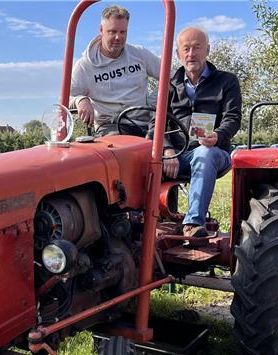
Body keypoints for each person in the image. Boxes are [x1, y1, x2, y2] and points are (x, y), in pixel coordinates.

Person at [151, 27, 241, 237]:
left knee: (204, 153)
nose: (191, 54)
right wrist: (167, 150)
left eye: (197, 48)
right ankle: (145, 223)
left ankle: (192, 224)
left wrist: (218, 135)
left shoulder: (226, 81)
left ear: (207, 50)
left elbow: (233, 118)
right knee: (139, 158)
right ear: (178, 54)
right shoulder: (169, 86)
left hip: (214, 152)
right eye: (186, 49)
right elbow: (157, 124)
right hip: (176, 155)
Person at [69, 5, 161, 137]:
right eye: (112, 31)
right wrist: (80, 100)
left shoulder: (139, 54)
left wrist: (153, 102)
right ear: (101, 30)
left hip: (146, 124)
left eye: (122, 32)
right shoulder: (85, 66)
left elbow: (171, 76)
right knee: (122, 149)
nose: (118, 37)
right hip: (110, 127)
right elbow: (66, 98)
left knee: (169, 151)